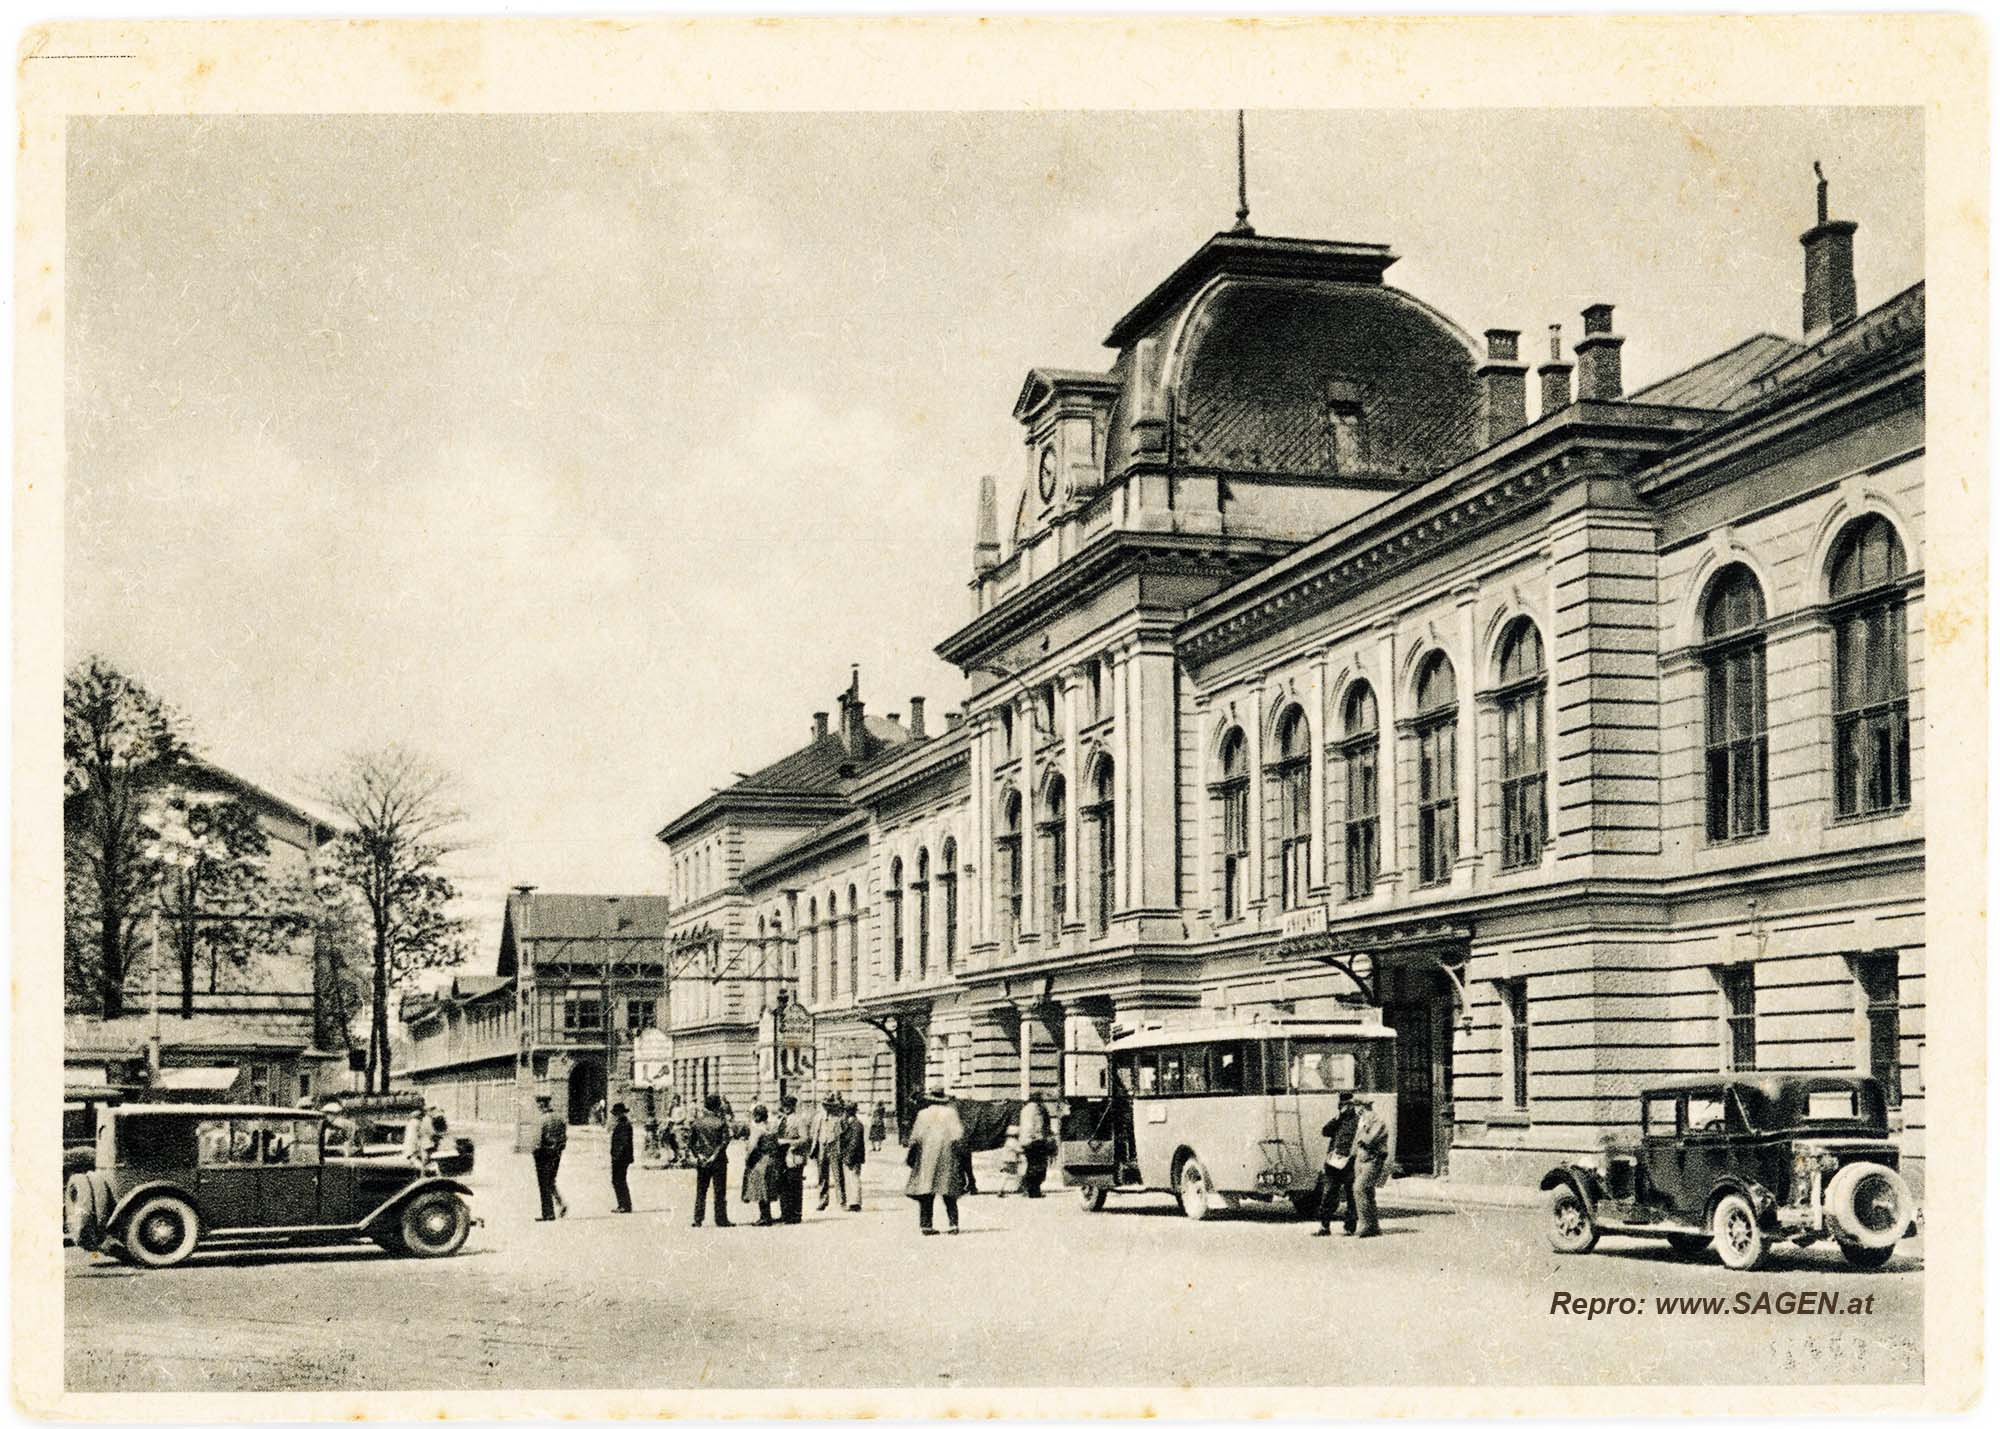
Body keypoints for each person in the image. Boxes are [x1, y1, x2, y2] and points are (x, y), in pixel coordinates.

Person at [904, 1086, 967, 1235]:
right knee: (948, 1190)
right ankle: (953, 1225)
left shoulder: (923, 1114)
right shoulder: (951, 1113)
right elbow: (958, 1136)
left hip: (927, 1157)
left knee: (926, 1191)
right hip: (947, 1156)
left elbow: (915, 1137)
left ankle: (926, 1225)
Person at [1313, 1091, 1361, 1236]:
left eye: (1348, 1105)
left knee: (1351, 1196)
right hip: (1333, 1163)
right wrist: (1337, 1118)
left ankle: (1349, 1227)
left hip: (1350, 1163)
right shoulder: (1338, 1120)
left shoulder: (1359, 1121)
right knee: (1328, 1194)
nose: (1345, 1108)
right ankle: (1324, 1226)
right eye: (1342, 1105)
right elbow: (1325, 1131)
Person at [688, 1094, 732, 1228]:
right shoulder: (721, 1122)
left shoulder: (697, 1123)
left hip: (702, 1161)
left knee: (701, 1191)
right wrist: (714, 1155)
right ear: (717, 1107)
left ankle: (698, 1218)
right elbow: (725, 1141)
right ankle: (721, 1219)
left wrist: (699, 1155)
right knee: (719, 1191)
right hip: (718, 1161)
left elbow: (691, 1143)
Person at [1351, 1097, 1390, 1238]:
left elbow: (1368, 1140)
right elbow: (1356, 1143)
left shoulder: (1377, 1121)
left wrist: (1362, 1133)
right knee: (1367, 1192)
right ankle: (1373, 1226)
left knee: (1359, 1189)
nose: (1355, 1110)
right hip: (1360, 1160)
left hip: (1372, 1159)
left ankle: (1365, 1225)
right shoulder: (1362, 1122)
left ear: (1363, 1107)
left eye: (1356, 1106)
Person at [741, 1105, 781, 1226]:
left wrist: (747, 1159)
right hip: (771, 1159)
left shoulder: (757, 1129)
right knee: (768, 1187)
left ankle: (765, 1217)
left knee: (761, 1189)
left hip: (760, 1160)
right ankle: (767, 1216)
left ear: (757, 1116)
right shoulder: (772, 1127)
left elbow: (752, 1147)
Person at [532, 1093, 569, 1222]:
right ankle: (561, 1203)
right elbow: (564, 1138)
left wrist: (535, 1152)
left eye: (538, 1105)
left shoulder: (542, 1120)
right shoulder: (559, 1118)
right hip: (556, 1154)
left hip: (543, 1154)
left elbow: (537, 1140)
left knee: (544, 1184)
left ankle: (548, 1213)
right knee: (551, 1181)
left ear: (542, 1105)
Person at [774, 1095, 809, 1224]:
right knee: (783, 1186)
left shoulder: (799, 1120)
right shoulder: (782, 1120)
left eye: (788, 1106)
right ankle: (785, 1213)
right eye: (784, 1105)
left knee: (794, 1186)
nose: (786, 1108)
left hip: (794, 1157)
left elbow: (804, 1139)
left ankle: (795, 1214)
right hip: (782, 1157)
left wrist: (787, 1142)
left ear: (793, 1106)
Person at [1017, 1096, 1051, 1198]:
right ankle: (1034, 1191)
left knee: (1031, 1166)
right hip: (1036, 1141)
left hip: (1025, 1141)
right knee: (1039, 1167)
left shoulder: (1024, 1109)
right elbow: (1039, 1126)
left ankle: (1028, 1189)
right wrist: (1043, 1138)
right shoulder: (1037, 1109)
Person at [811, 1094, 840, 1211]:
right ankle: (823, 1200)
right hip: (821, 1147)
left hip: (833, 1147)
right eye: (825, 1105)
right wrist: (813, 1148)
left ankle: (841, 1200)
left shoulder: (837, 1118)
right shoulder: (818, 1117)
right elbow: (813, 1133)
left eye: (829, 1105)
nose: (827, 1107)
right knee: (822, 1176)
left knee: (838, 1175)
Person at [836, 1098, 866, 1210]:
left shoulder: (856, 1124)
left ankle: (855, 1203)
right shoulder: (849, 1123)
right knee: (850, 1178)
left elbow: (855, 1142)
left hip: (853, 1156)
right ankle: (853, 1201)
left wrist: (849, 1156)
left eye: (846, 1111)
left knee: (854, 1177)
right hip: (849, 1155)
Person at [609, 1102, 635, 1213]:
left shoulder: (623, 1124)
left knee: (618, 1180)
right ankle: (623, 1204)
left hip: (621, 1158)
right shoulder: (623, 1123)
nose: (614, 1116)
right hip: (622, 1157)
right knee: (619, 1180)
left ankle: (624, 1205)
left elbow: (623, 1143)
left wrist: (616, 1156)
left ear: (620, 1113)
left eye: (616, 1114)